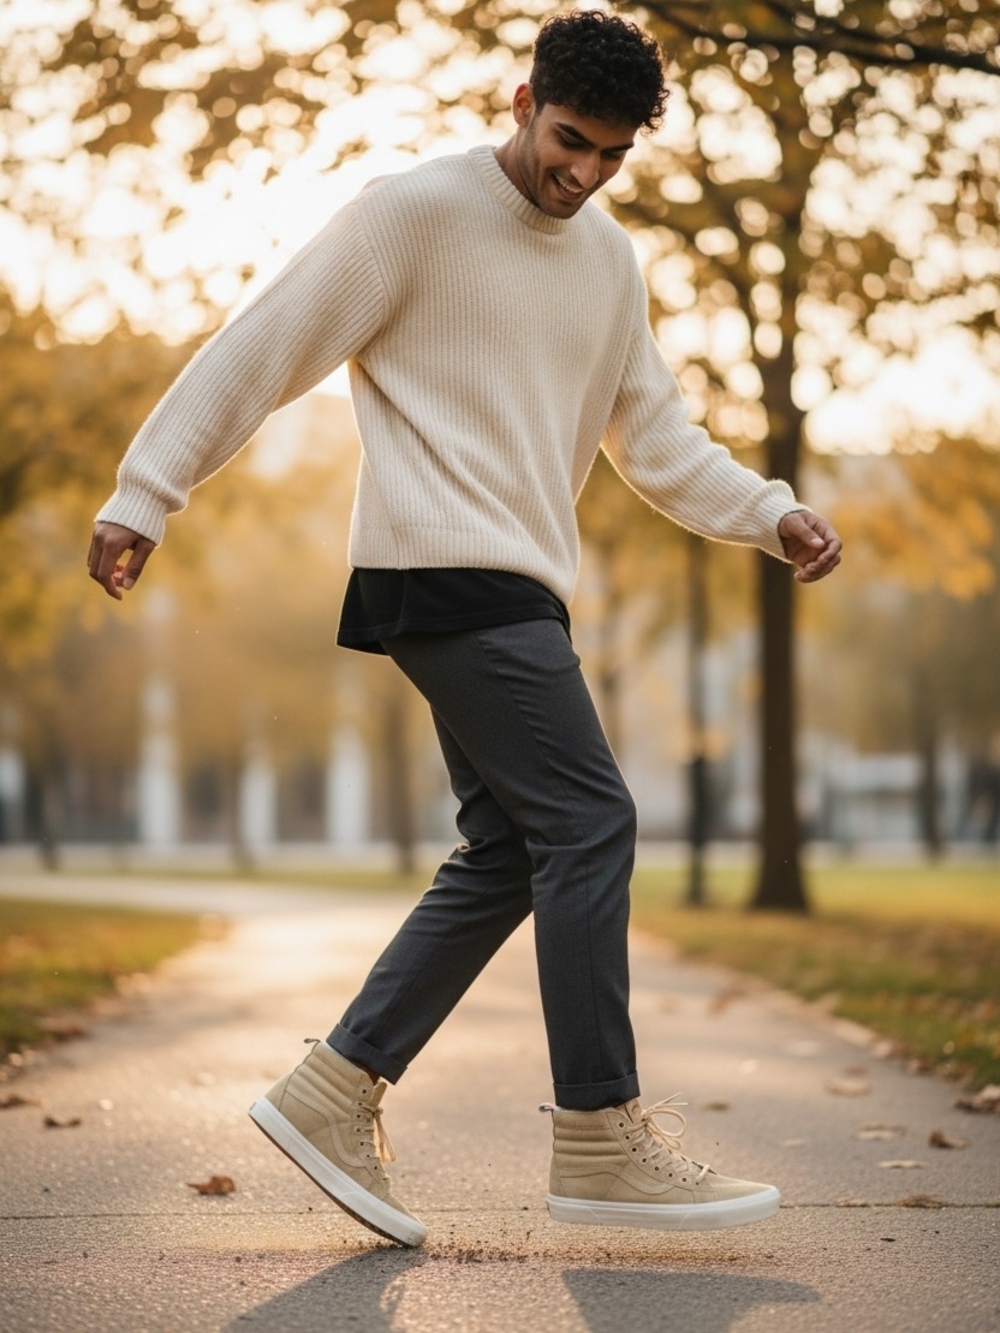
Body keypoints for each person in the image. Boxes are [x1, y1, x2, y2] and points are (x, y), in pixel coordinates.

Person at [89, 10, 842, 1249]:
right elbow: (266, 343)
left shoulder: (607, 265)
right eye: (567, 141)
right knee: (591, 817)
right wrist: (146, 488)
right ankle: (600, 1137)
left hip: (518, 587)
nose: (583, 174)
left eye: (611, 156)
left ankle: (333, 1089)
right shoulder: (412, 215)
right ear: (520, 98)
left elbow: (653, 439)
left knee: (510, 849)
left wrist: (772, 513)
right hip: (442, 571)